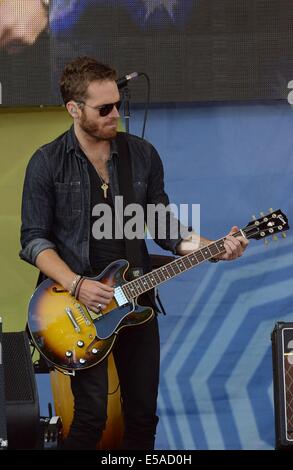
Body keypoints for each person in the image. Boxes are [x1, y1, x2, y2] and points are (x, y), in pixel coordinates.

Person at [20, 56, 248, 450]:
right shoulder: (47, 162)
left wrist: (213, 248)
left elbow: (164, 228)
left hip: (135, 300)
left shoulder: (140, 154)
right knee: (89, 418)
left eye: (117, 105)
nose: (115, 114)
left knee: (143, 417)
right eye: (103, 108)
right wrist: (77, 284)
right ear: (74, 110)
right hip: (75, 308)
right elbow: (34, 241)